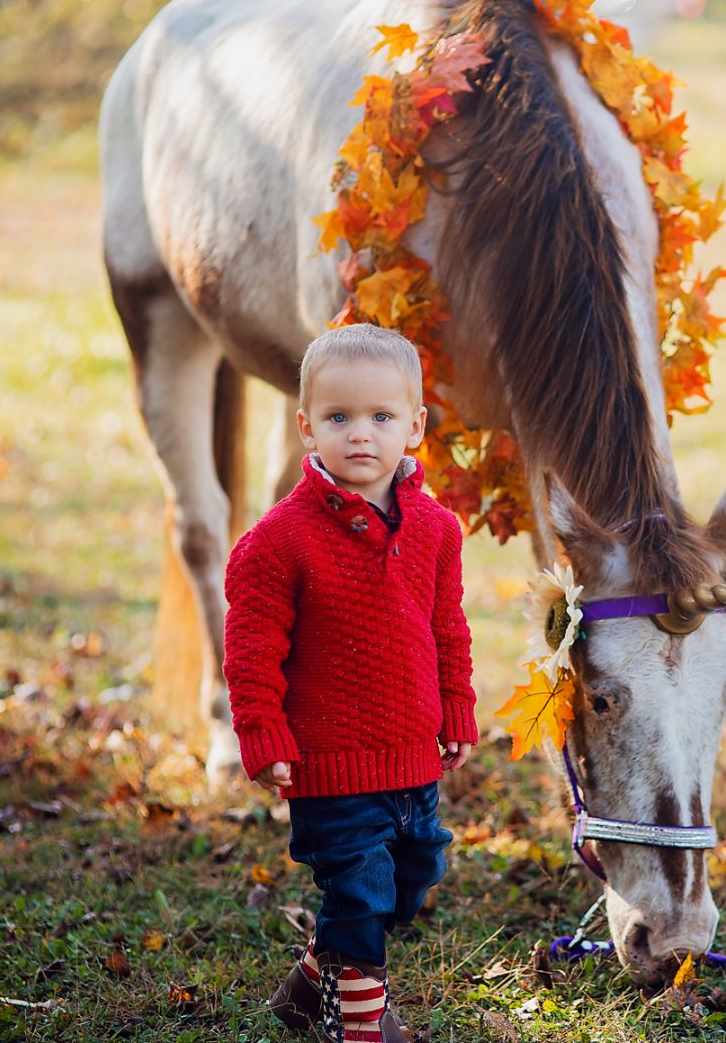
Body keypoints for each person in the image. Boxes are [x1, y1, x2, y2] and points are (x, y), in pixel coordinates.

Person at [221, 323, 478, 1043]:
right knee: (358, 890)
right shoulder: (278, 541)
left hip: (411, 757)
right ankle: (359, 1023)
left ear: (415, 426)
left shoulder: (435, 530)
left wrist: (456, 710)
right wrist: (261, 732)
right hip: (329, 762)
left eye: (381, 417)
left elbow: (448, 629)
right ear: (306, 427)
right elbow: (250, 649)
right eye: (338, 418)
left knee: (412, 877)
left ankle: (313, 983)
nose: (360, 435)